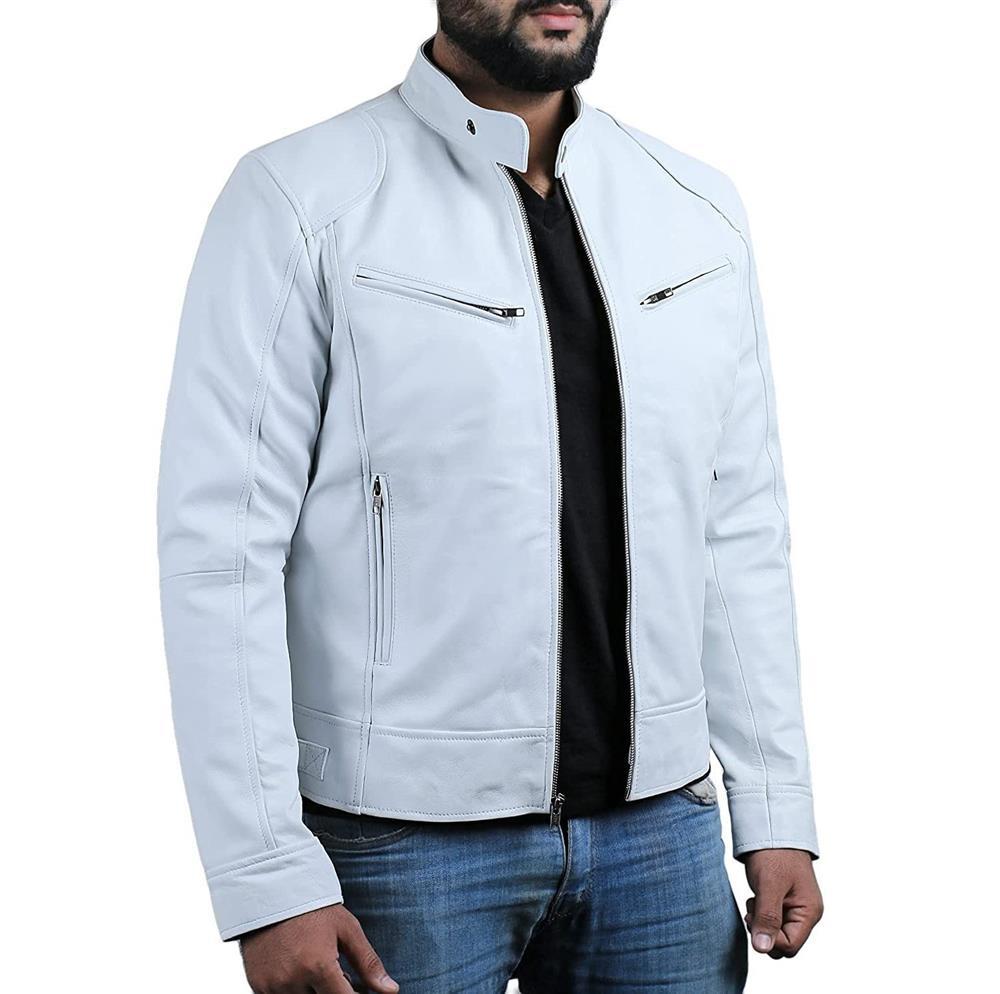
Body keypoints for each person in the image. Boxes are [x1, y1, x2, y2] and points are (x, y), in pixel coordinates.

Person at [157, 2, 824, 991]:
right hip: (398, 845)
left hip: (664, 837)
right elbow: (221, 550)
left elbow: (737, 530)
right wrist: (265, 876)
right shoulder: (303, 198)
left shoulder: (691, 206)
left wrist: (775, 804)